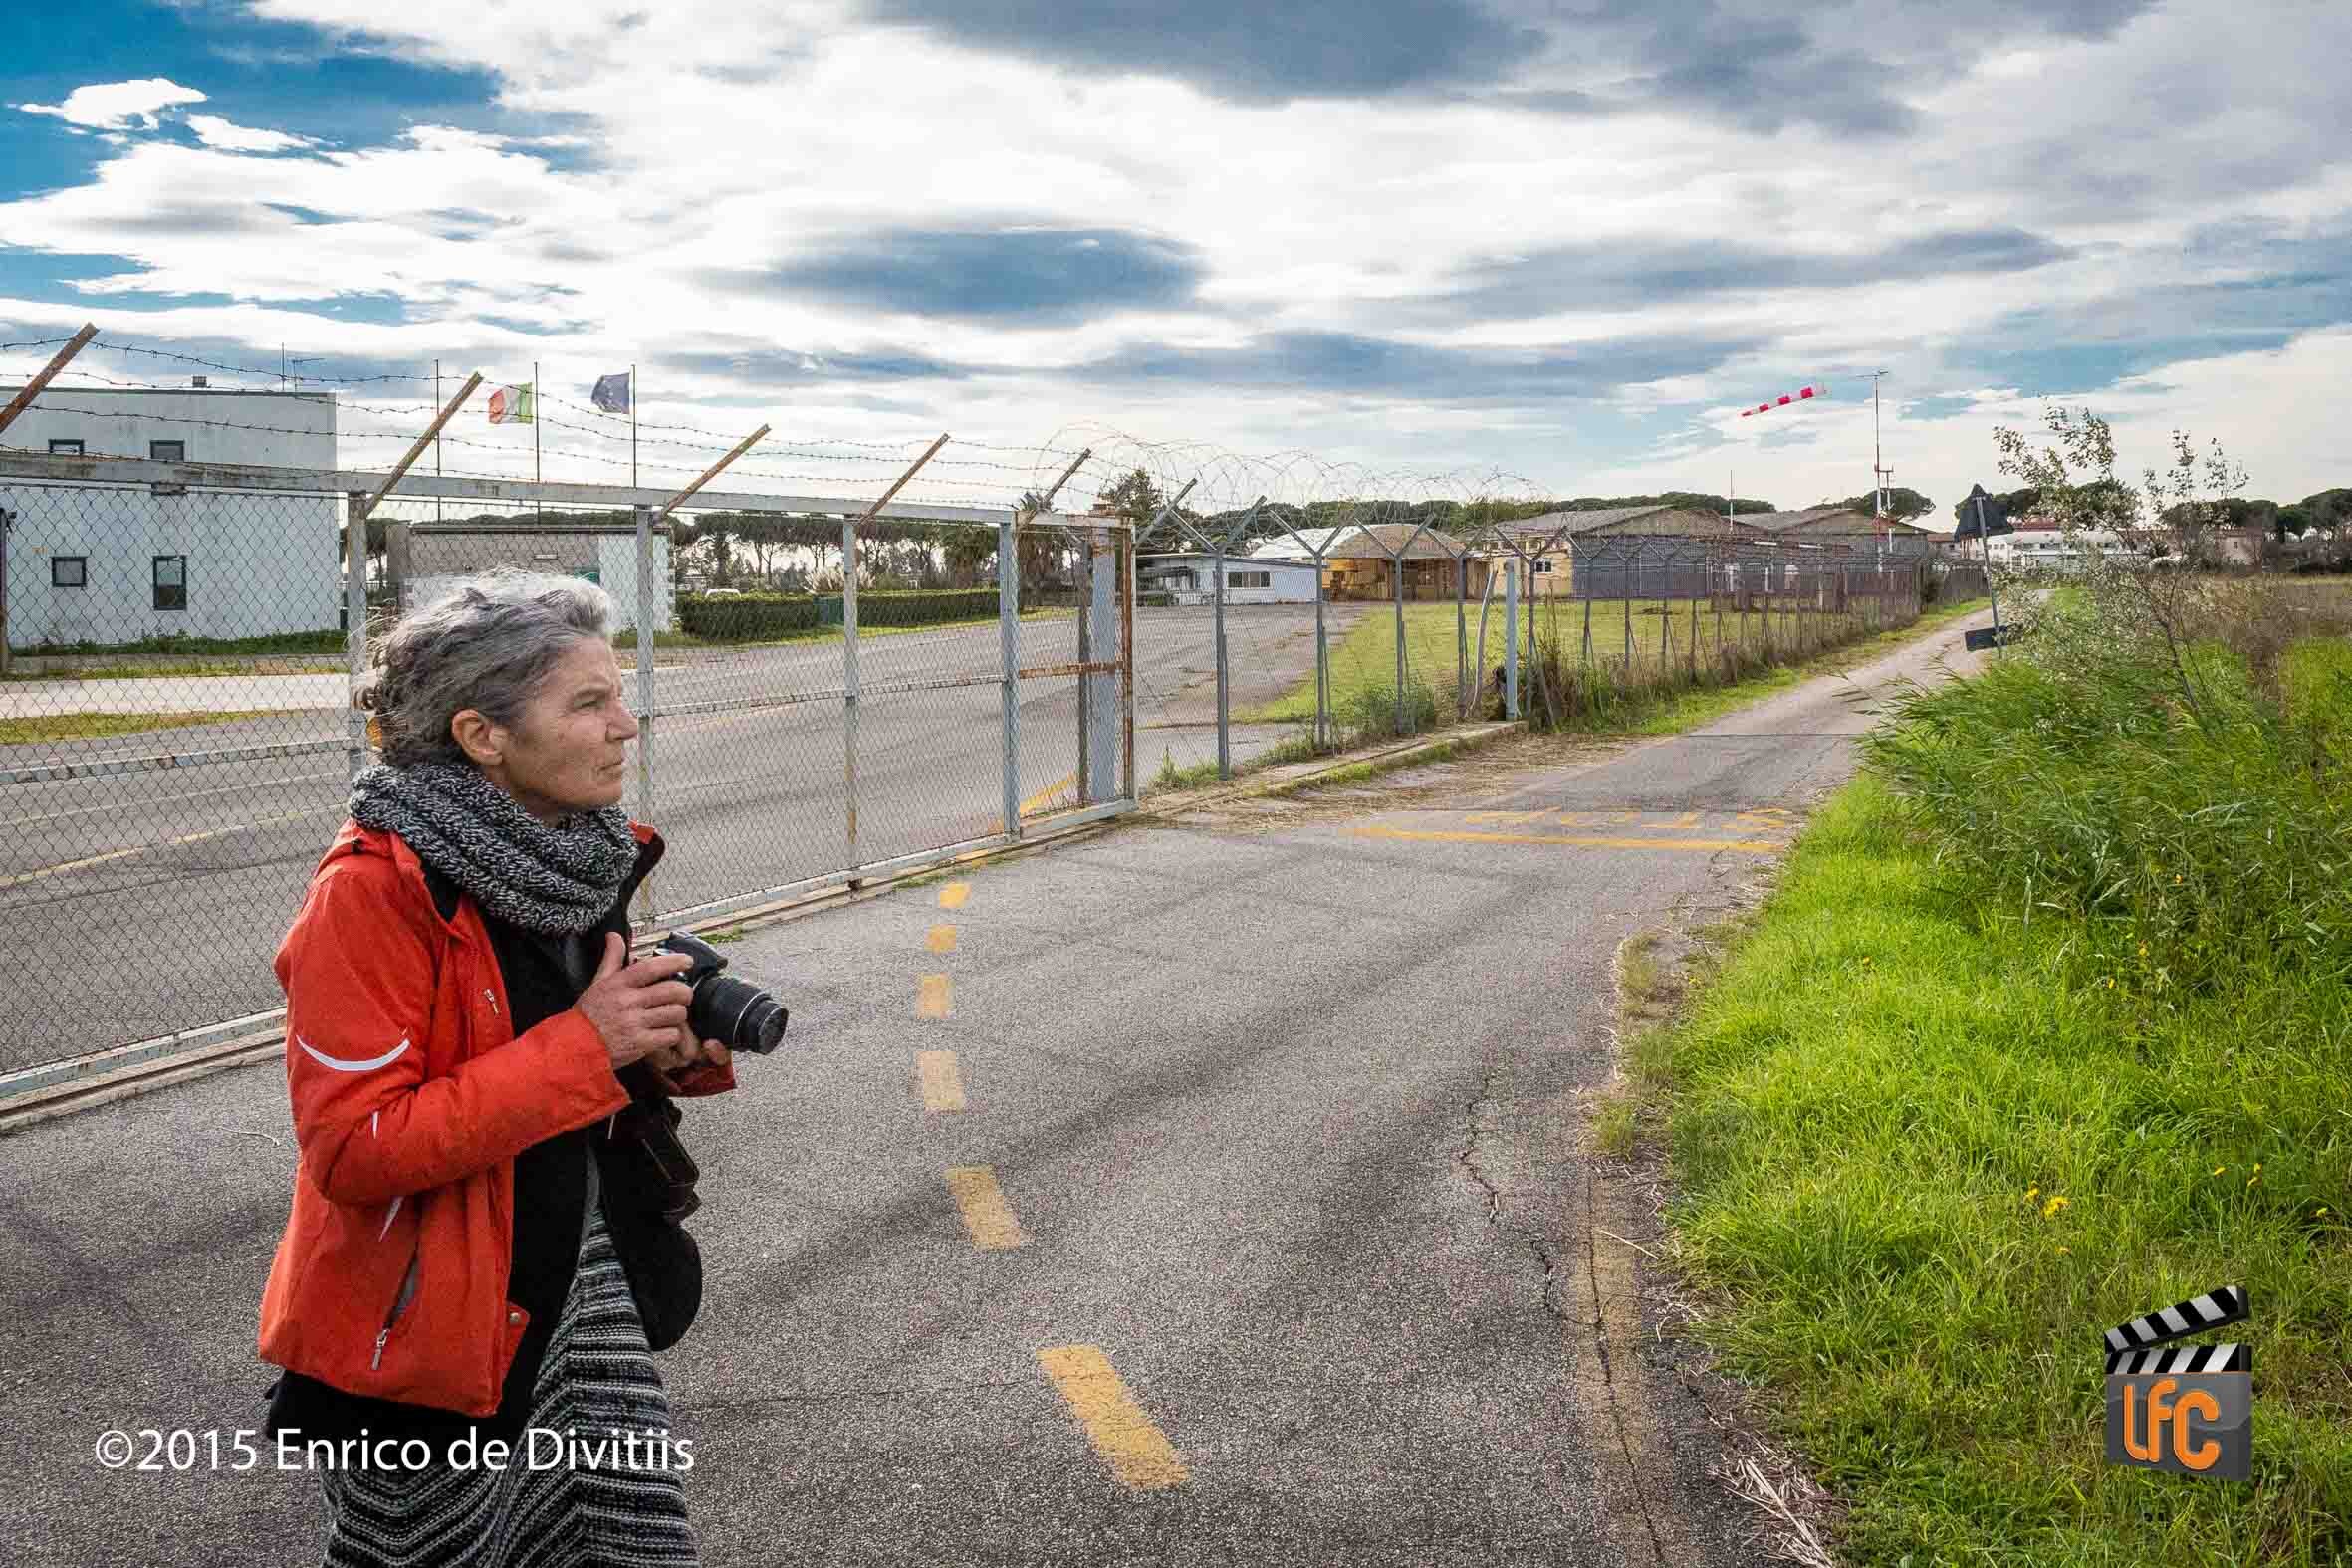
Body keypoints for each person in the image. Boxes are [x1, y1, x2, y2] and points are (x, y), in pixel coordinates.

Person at [255, 569, 735, 1567]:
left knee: (631, 1543)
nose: (626, 725)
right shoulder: (370, 893)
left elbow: (552, 1066)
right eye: (589, 703)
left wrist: (657, 1054)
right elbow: (354, 1148)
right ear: (483, 735)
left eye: (619, 696)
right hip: (429, 1326)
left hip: (577, 1285)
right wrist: (589, 1044)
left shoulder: (570, 858)